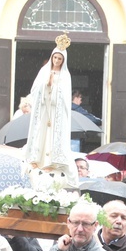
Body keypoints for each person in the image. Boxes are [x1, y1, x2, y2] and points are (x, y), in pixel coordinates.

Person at [24, 35, 77, 187]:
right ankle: (38, 159)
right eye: (55, 58)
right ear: (52, 57)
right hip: (43, 110)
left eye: (60, 59)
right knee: (41, 134)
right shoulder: (44, 71)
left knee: (54, 135)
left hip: (56, 112)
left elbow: (65, 96)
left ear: (63, 61)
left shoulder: (65, 76)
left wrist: (54, 88)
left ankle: (52, 161)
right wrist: (46, 85)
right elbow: (35, 90)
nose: (57, 61)